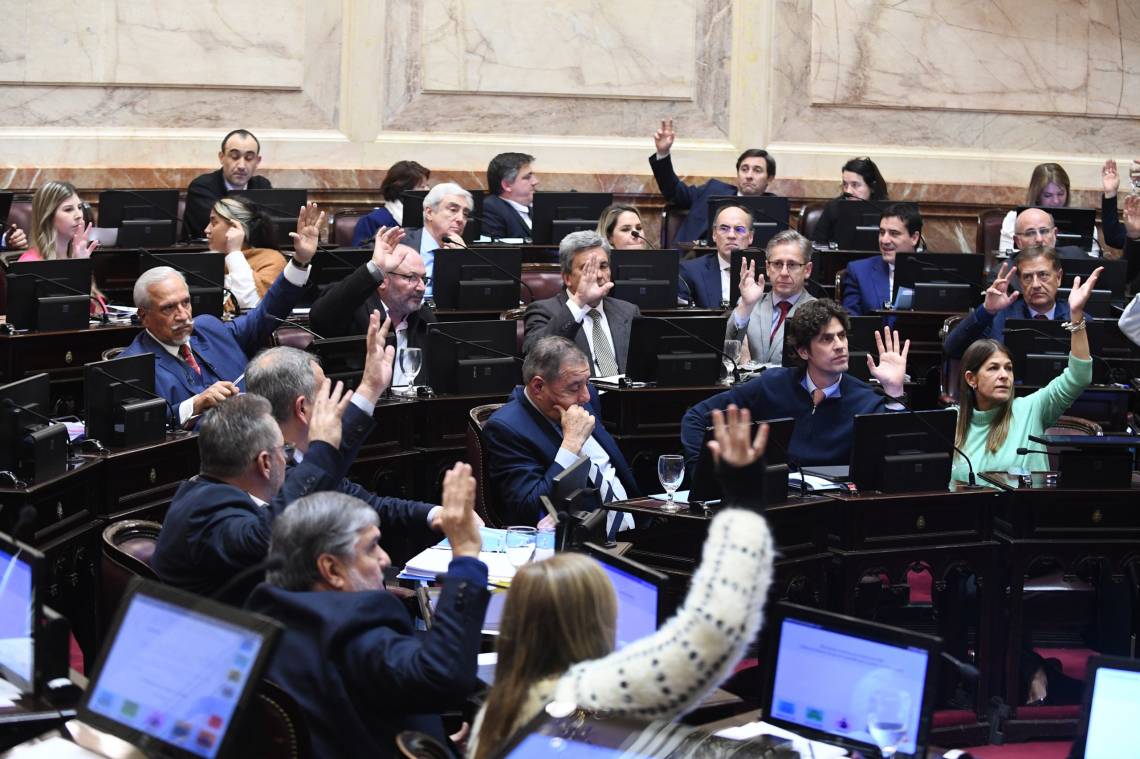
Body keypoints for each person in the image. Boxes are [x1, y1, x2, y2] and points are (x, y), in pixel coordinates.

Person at [469, 404, 776, 759]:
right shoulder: (585, 694)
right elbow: (712, 633)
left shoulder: (491, 715)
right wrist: (744, 503)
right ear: (590, 624)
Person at [247, 465, 489, 759]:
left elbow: (349, 722)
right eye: (372, 547)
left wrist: (438, 746)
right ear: (332, 569)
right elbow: (443, 676)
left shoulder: (267, 619)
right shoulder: (350, 626)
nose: (385, 559)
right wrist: (465, 557)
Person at [122, 203, 325, 426]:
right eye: (168, 308)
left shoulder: (209, 328)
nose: (182, 315)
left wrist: (300, 261)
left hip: (266, 433)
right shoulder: (134, 364)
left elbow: (266, 313)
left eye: (186, 303)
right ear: (143, 316)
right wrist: (195, 404)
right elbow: (139, 424)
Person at [246, 324, 443, 549]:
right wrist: (369, 389)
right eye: (325, 394)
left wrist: (436, 514)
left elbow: (368, 504)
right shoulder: (270, 473)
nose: (332, 402)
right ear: (302, 409)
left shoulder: (303, 459)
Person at [152, 386, 355, 601]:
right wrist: (321, 449)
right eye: (284, 449)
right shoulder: (205, 511)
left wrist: (369, 393)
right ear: (265, 462)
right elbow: (266, 538)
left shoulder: (208, 494)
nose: (286, 459)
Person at [681, 299, 906, 470]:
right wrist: (707, 474)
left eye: (842, 336)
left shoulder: (866, 399)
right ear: (803, 351)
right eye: (827, 339)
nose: (840, 346)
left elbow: (897, 456)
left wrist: (894, 390)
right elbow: (695, 419)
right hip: (775, 505)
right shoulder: (772, 385)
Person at [952, 266, 1101, 485]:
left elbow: (1078, 377)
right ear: (971, 378)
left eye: (1008, 368)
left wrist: (1076, 317)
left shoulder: (1031, 409)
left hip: (1026, 515)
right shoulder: (951, 422)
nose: (1004, 376)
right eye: (993, 368)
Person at [482, 336, 639, 528]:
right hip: (586, 545)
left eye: (586, 382)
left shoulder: (582, 397)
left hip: (637, 519)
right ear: (538, 387)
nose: (586, 396)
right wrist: (571, 445)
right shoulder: (506, 428)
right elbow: (530, 509)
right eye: (574, 387)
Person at [309, 228, 437, 388]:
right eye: (411, 278)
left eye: (424, 278)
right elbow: (320, 317)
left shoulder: (425, 318)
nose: (422, 287)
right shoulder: (355, 309)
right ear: (383, 280)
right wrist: (375, 268)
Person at [522, 230, 641, 377]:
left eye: (603, 266)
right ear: (567, 278)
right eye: (587, 269)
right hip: (579, 397)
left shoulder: (628, 311)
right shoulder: (543, 310)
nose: (598, 275)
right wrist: (579, 301)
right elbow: (535, 356)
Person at [649, 118, 776, 244]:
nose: (749, 175)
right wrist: (663, 153)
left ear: (769, 178)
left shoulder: (774, 208)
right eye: (744, 169)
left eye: (757, 170)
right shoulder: (712, 191)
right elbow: (674, 192)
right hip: (697, 260)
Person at [942, 247, 1069, 360]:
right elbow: (953, 349)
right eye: (1027, 277)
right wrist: (987, 310)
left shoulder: (1076, 318)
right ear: (1019, 282)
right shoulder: (1000, 316)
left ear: (1058, 278)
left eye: (1043, 275)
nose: (1035, 284)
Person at [725, 229, 815, 366]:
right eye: (778, 264)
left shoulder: (816, 311)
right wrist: (746, 306)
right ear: (767, 268)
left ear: (807, 270)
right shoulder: (750, 303)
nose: (784, 272)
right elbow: (724, 351)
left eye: (792, 265)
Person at [19, 180, 104, 310]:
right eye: (68, 209)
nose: (78, 215)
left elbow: (96, 313)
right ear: (48, 216)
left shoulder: (78, 255)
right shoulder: (29, 264)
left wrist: (81, 265)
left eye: (79, 207)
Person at [182, 129, 272, 242]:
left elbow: (269, 229)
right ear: (221, 157)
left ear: (257, 161)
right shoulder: (201, 187)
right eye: (234, 156)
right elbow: (219, 227)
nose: (242, 166)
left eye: (249, 158)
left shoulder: (262, 186)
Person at [998, 163, 1100, 255]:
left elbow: (1091, 262)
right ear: (1037, 195)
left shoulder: (1084, 222)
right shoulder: (1014, 219)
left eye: (1060, 194)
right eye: (1048, 195)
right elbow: (1006, 258)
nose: (1056, 201)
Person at [205, 196, 286, 310]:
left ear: (234, 228)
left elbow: (248, 305)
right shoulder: (210, 261)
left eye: (214, 223)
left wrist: (234, 252)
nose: (207, 230)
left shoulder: (272, 260)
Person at [843, 203, 922, 316]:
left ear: (914, 238)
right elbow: (851, 322)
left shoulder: (935, 271)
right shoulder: (859, 272)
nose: (884, 240)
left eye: (894, 233)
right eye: (881, 232)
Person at [399, 182, 473, 299]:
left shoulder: (468, 253)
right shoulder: (398, 241)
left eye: (465, 214)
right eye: (453, 210)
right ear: (429, 213)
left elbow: (471, 298)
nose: (461, 219)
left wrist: (462, 258)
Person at [678, 204, 753, 308]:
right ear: (714, 235)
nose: (731, 235)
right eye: (724, 228)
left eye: (739, 229)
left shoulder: (767, 272)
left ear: (750, 237)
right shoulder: (689, 272)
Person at [810, 157, 889, 246]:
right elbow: (817, 243)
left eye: (855, 185)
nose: (848, 191)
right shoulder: (834, 208)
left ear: (872, 187)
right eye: (845, 184)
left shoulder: (887, 211)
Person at [352, 160, 431, 246]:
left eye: (427, 185)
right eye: (421, 187)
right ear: (402, 189)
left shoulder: (429, 220)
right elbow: (360, 255)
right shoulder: (372, 221)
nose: (427, 190)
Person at [482, 152, 538, 239]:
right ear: (507, 185)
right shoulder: (490, 208)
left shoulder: (535, 206)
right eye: (527, 177)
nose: (535, 181)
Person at [1008, 207, 1088, 260]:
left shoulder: (1076, 256)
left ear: (1055, 234)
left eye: (1044, 231)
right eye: (1030, 233)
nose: (1039, 239)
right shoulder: (1004, 276)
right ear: (1018, 241)